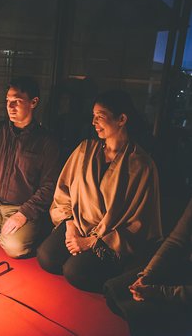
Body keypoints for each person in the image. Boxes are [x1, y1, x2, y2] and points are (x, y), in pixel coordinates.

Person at [37, 89, 162, 292]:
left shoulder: (141, 165)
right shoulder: (85, 149)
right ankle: (80, 256)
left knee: (74, 272)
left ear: (121, 119)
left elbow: (138, 221)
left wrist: (90, 243)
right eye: (93, 116)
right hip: (77, 223)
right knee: (46, 257)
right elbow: (64, 191)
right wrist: (70, 226)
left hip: (111, 237)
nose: (94, 122)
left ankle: (109, 270)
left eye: (100, 117)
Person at [0, 76, 61, 258]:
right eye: (8, 101)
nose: (10, 106)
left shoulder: (47, 142)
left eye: (17, 101)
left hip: (22, 206)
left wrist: (24, 213)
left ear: (34, 102)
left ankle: (14, 229)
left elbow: (50, 186)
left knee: (15, 248)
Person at [104, 198, 192, 336]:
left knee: (139, 312)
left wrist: (160, 292)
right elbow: (176, 241)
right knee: (114, 291)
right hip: (186, 264)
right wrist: (147, 275)